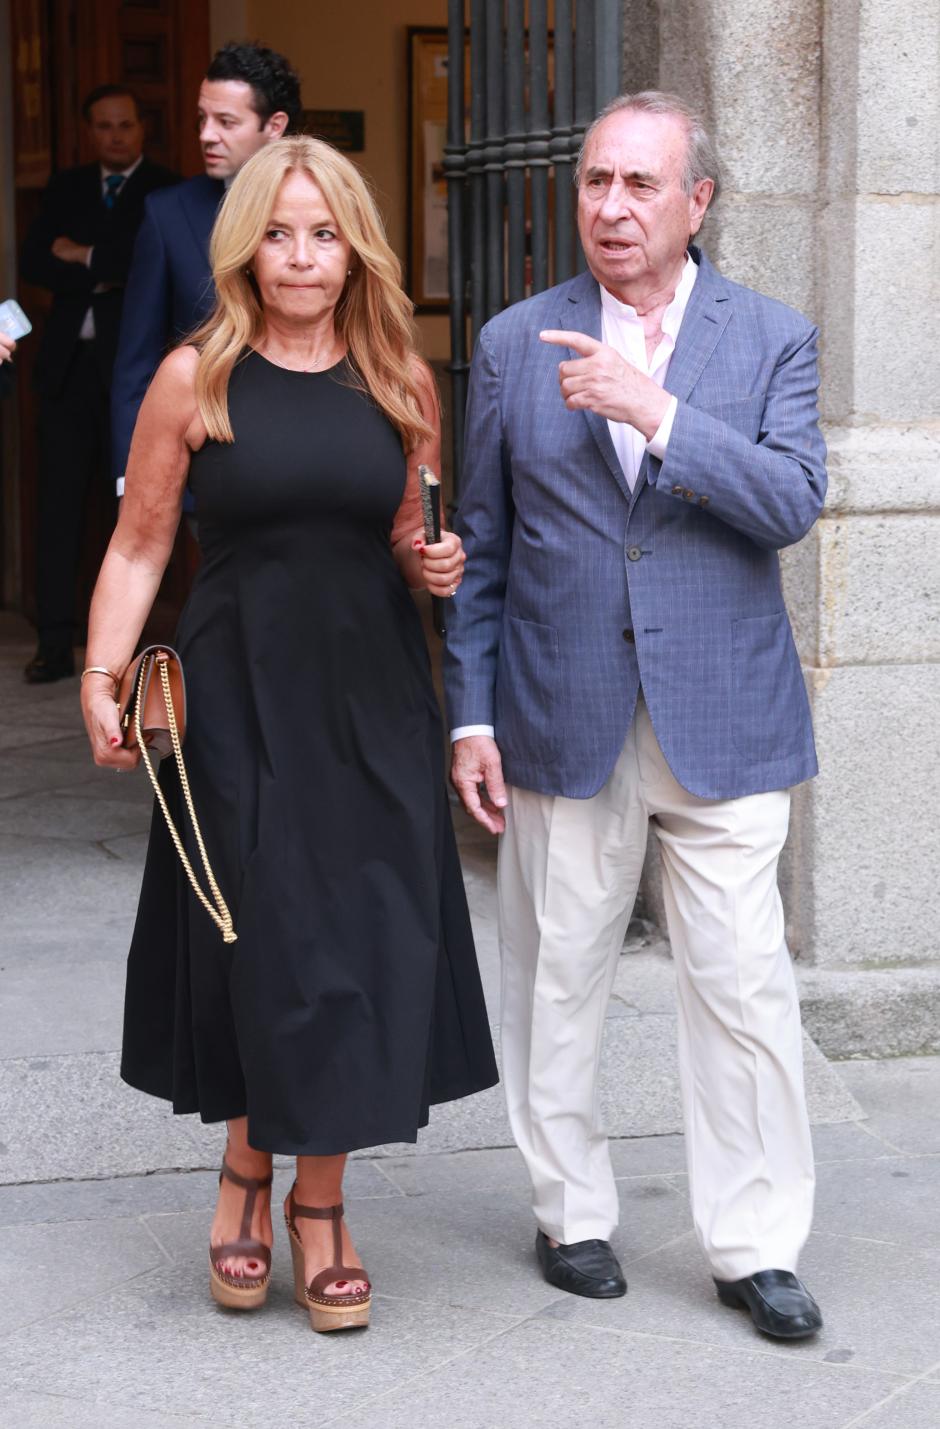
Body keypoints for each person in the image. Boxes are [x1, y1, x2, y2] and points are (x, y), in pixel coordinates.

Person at [80, 135, 498, 1332]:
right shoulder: (192, 377)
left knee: (357, 945)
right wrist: (104, 672)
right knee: (257, 938)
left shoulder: (401, 380)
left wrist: (438, 558)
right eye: (278, 232)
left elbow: (413, 536)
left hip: (371, 700)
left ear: (354, 244)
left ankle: (317, 1202)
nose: (302, 256)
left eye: (323, 233)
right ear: (244, 244)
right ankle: (245, 1170)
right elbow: (142, 542)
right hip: (236, 698)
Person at [444, 91, 827, 1341]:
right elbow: (486, 548)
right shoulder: (512, 343)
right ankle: (572, 1213)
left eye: (639, 185)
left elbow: (788, 500)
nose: (610, 208)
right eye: (595, 182)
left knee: (743, 989)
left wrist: (654, 412)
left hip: (722, 717)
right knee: (557, 977)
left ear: (696, 202)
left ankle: (756, 1245)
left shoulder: (771, 337)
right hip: (561, 709)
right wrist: (470, 715)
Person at [18, 85, 177, 682]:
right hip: (65, 372)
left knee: (135, 510)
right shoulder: (65, 186)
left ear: (142, 128)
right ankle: (54, 643)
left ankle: (134, 647)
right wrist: (104, 266)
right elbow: (34, 261)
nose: (115, 135)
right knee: (58, 509)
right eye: (104, 126)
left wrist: (81, 258)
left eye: (125, 125)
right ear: (91, 132)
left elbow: (138, 265)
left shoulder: (165, 189)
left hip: (133, 376)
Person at [110, 41, 301, 497]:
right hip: (206, 474)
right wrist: (130, 478)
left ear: (274, 126)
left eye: (226, 122)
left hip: (309, 465)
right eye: (203, 118)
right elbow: (136, 363)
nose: (206, 135)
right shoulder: (167, 214)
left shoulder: (321, 213)